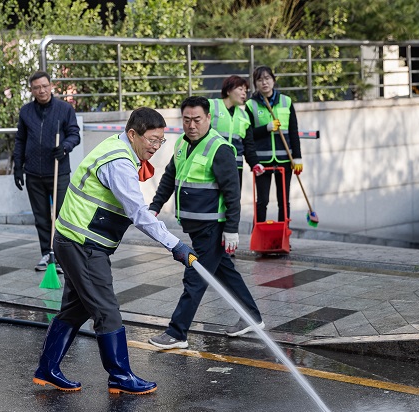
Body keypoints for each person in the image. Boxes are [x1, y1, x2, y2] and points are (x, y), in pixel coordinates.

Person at [32, 107, 197, 395]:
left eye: (161, 141)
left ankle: (47, 369)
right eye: (152, 140)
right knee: (107, 310)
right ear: (133, 134)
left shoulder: (118, 145)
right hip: (82, 244)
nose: (156, 147)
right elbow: (139, 214)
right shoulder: (119, 162)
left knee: (75, 308)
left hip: (75, 240)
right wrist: (176, 245)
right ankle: (119, 376)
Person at [147, 96, 265, 350]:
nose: (191, 125)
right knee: (225, 272)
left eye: (197, 120)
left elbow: (232, 192)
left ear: (209, 119)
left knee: (195, 277)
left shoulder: (219, 148)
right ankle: (253, 317)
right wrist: (155, 206)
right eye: (187, 120)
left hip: (213, 227)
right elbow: (170, 177)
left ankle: (177, 332)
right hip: (197, 226)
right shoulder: (181, 144)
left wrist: (232, 229)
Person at [13, 70, 81, 272]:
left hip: (58, 172)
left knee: (61, 215)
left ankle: (61, 256)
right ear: (32, 90)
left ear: (51, 86)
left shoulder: (64, 109)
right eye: (36, 87)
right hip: (34, 173)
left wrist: (65, 147)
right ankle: (46, 254)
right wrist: (18, 167)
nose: (41, 90)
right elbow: (20, 140)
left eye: (44, 86)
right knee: (41, 217)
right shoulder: (26, 112)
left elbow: (74, 134)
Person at [246, 65, 303, 223]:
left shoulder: (286, 101)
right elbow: (248, 134)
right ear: (255, 83)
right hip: (262, 161)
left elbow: (293, 131)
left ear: (273, 80)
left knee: (284, 201)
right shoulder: (251, 105)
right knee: (262, 201)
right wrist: (267, 128)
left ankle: (284, 236)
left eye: (267, 78)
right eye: (259, 79)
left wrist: (297, 158)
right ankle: (259, 235)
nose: (264, 82)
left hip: (285, 159)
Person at [209, 75, 259, 188]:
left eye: (245, 91)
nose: (244, 94)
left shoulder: (244, 115)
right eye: (240, 89)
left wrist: (255, 163)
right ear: (228, 91)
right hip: (212, 164)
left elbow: (248, 144)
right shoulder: (211, 106)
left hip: (235, 167)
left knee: (233, 203)